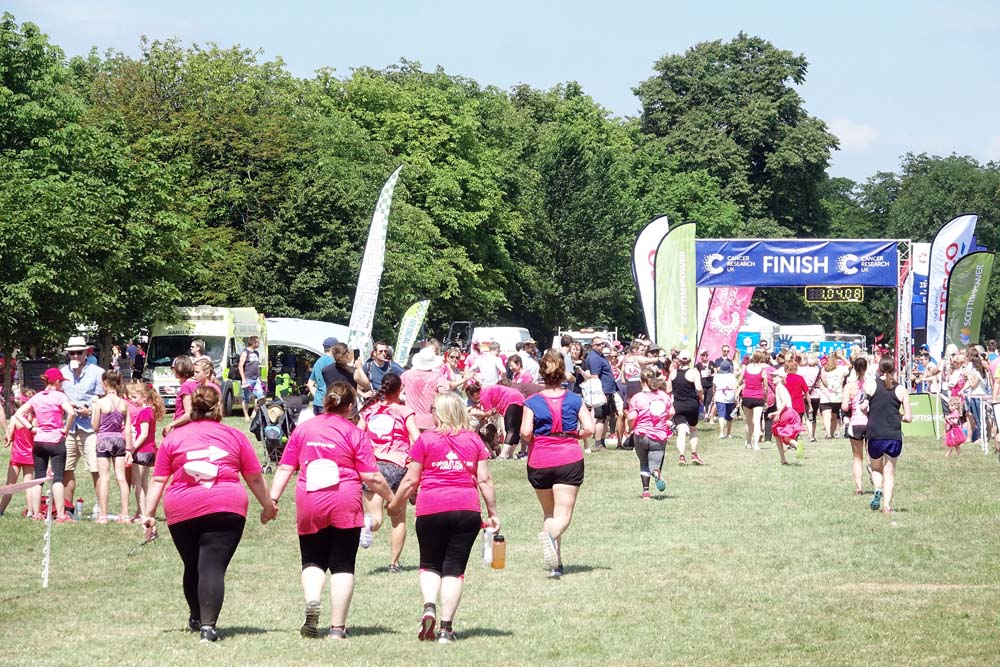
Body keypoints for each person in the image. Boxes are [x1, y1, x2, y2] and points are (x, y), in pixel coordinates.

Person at [142, 387, 277, 642]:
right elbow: (254, 477)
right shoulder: (234, 436)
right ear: (219, 409)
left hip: (182, 508)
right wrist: (268, 506)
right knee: (212, 566)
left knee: (193, 565)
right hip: (226, 506)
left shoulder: (174, 438)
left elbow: (159, 479)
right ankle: (207, 626)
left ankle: (196, 616)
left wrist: (148, 514)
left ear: (192, 408)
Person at [269, 381, 393, 640]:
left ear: (326, 402)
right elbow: (372, 477)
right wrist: (392, 498)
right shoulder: (355, 433)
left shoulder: (304, 429)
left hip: (310, 499)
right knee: (343, 565)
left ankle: (313, 601)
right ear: (349, 407)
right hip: (344, 500)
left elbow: (284, 468)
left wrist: (272, 500)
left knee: (312, 559)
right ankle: (337, 628)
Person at [388, 392, 500, 643]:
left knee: (429, 563)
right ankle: (446, 629)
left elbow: (410, 479)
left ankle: (429, 606)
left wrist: (395, 504)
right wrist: (492, 513)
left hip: (431, 508)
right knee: (454, 568)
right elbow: (484, 479)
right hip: (466, 508)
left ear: (439, 413)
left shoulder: (425, 440)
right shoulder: (473, 440)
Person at [520, 350, 595, 578]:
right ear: (563, 374)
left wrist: (538, 439)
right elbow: (590, 428)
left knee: (549, 513)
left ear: (542, 374)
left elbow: (525, 432)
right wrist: (575, 436)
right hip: (568, 458)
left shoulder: (531, 401)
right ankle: (550, 537)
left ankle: (556, 565)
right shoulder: (574, 399)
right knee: (563, 515)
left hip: (539, 460)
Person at [357, 373, 419, 571]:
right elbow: (417, 438)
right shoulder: (404, 411)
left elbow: (357, 436)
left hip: (371, 467)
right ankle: (394, 563)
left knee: (375, 518)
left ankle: (366, 523)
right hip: (397, 466)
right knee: (398, 517)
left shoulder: (369, 410)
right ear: (400, 389)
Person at [11, 369, 76, 521]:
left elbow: (18, 414)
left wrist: (31, 428)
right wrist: (65, 430)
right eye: (61, 382)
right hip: (55, 440)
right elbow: (71, 413)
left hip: (39, 441)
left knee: (38, 478)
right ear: (57, 382)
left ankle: (35, 513)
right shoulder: (60, 396)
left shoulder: (37, 397)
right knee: (58, 478)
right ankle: (61, 514)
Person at [60, 335, 105, 513]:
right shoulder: (62, 373)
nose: (76, 356)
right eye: (72, 353)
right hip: (69, 427)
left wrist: (91, 410)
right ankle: (67, 508)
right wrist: (66, 404)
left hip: (90, 427)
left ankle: (101, 507)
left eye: (79, 352)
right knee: (66, 468)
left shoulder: (97, 372)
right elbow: (57, 397)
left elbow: (103, 398)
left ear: (86, 352)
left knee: (95, 468)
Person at [863, 357, 913, 515]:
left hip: (875, 432)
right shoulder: (901, 389)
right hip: (893, 434)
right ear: (894, 370)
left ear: (879, 369)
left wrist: (870, 412)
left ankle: (878, 488)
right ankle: (887, 506)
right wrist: (899, 416)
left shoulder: (871, 385)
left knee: (876, 468)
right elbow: (909, 418)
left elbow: (863, 407)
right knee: (889, 472)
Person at [90, 371, 134, 523]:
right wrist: (128, 449)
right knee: (121, 478)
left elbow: (95, 426)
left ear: (104, 383)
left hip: (103, 440)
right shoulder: (124, 403)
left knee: (104, 478)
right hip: (119, 440)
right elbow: (127, 428)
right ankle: (125, 514)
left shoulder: (100, 403)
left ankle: (103, 515)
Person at [626, 367, 673, 498]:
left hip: (641, 434)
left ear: (641, 381)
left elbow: (631, 417)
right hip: (659, 434)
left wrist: (631, 428)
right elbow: (672, 412)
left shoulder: (637, 397)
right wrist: (664, 419)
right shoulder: (663, 396)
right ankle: (656, 472)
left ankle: (646, 491)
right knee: (655, 461)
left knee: (644, 463)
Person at [466, 380, 525, 460]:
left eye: (470, 396)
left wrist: (477, 413)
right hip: (519, 397)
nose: (471, 399)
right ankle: (510, 455)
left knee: (510, 429)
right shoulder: (487, 390)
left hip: (510, 400)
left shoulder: (483, 395)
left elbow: (488, 413)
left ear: (475, 394)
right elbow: (492, 411)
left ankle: (503, 455)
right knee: (516, 429)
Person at [0, 390, 36, 517]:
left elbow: (9, 436)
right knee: (29, 485)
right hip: (30, 456)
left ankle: (1, 510)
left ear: (22, 402)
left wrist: (7, 437)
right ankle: (31, 512)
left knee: (10, 485)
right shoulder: (35, 419)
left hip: (16, 456)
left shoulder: (15, 418)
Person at [840, 357, 871, 494]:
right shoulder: (872, 384)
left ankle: (859, 487)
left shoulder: (849, 386)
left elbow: (845, 407)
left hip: (856, 423)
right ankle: (875, 478)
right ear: (866, 368)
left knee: (857, 458)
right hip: (870, 422)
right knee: (872, 455)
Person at [402, 347, 450, 432]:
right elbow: (445, 397)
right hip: (432, 422)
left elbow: (394, 390)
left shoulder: (406, 375)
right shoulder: (438, 377)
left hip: (410, 421)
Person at [669, 350, 704, 465]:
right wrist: (701, 397)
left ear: (679, 360)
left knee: (681, 431)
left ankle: (682, 457)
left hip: (678, 405)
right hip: (691, 404)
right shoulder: (694, 372)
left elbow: (668, 389)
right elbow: (698, 388)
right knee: (693, 429)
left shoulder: (673, 373)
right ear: (690, 360)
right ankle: (694, 454)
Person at [582, 337, 616, 451]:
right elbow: (595, 377)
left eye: (603, 344)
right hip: (602, 391)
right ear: (593, 346)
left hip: (608, 390)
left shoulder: (600, 356)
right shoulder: (594, 358)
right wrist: (601, 394)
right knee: (600, 417)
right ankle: (597, 443)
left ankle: (602, 441)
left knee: (605, 417)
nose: (602, 346)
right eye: (599, 344)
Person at [770, 369, 804, 465]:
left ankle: (783, 458)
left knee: (777, 433)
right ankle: (795, 445)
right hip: (790, 412)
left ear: (781, 378)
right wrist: (775, 413)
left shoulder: (779, 387)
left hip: (786, 413)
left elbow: (784, 402)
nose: (773, 377)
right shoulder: (781, 387)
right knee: (784, 436)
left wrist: (778, 413)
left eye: (775, 376)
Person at [737, 351, 768, 449]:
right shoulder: (763, 371)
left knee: (748, 421)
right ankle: (756, 444)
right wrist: (765, 400)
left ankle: (748, 442)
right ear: (761, 359)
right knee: (757, 421)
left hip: (747, 396)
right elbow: (766, 388)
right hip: (758, 397)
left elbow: (739, 381)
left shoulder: (745, 369)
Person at [307, 337, 339, 415]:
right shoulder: (331, 361)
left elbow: (310, 384)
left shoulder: (318, 361)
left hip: (317, 403)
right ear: (332, 348)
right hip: (329, 404)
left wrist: (318, 397)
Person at [238, 336, 265, 422]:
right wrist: (243, 379)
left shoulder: (256, 353)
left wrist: (259, 378)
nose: (259, 344)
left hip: (256, 378)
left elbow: (256, 366)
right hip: (247, 378)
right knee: (246, 398)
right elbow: (240, 366)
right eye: (257, 342)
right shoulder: (245, 352)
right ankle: (246, 415)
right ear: (253, 343)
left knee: (260, 395)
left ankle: (254, 412)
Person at [799, 352, 822, 442]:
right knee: (814, 415)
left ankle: (807, 434)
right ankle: (813, 434)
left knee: (806, 415)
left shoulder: (802, 370)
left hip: (804, 393)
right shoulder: (819, 370)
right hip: (816, 393)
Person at [713, 360, 738, 439]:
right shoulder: (732, 376)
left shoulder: (716, 376)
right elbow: (735, 388)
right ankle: (729, 433)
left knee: (721, 415)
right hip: (730, 396)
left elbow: (714, 387)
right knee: (729, 415)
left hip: (720, 395)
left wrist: (714, 395)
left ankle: (721, 432)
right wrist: (736, 399)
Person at [695, 350, 716, 423]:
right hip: (702, 385)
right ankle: (705, 413)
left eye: (706, 355)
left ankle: (707, 415)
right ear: (701, 356)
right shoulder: (698, 365)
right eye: (704, 355)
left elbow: (716, 372)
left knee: (708, 400)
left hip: (710, 384)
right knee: (703, 400)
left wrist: (712, 374)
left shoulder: (711, 363)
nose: (705, 356)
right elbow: (696, 374)